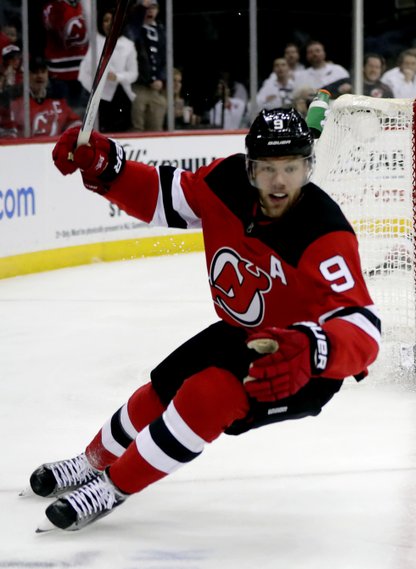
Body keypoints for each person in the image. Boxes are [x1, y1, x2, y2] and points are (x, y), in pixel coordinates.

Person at [30, 107, 381, 532]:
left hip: (299, 362)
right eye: (268, 168)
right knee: (162, 387)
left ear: (308, 167)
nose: (280, 181)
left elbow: (363, 324)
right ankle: (90, 462)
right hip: (242, 330)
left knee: (206, 396)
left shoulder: (324, 232)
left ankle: (109, 488)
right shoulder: (224, 181)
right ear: (250, 168)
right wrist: (109, 168)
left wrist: (314, 349)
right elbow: (166, 197)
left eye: (291, 167)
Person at [78, 8, 138, 133]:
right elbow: (85, 71)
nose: (109, 23)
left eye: (113, 20)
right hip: (98, 97)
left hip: (121, 95)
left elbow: (133, 74)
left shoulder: (128, 45)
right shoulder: (95, 42)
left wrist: (117, 77)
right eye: (106, 20)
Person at [9, 56, 81, 137]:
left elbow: (75, 122)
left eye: (43, 72)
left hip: (55, 146)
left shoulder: (58, 101)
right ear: (27, 75)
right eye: (35, 72)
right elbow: (10, 130)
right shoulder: (17, 102)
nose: (39, 76)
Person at [42, 0, 89, 115]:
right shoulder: (52, 7)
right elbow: (57, 27)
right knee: (63, 116)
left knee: (81, 116)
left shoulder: (85, 5)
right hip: (60, 73)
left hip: (82, 71)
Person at [126, 0, 167, 131]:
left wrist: (160, 77)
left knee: (156, 126)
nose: (150, 11)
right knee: (137, 126)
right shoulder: (134, 29)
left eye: (153, 7)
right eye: (146, 8)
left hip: (156, 89)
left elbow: (164, 57)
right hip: (139, 86)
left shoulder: (160, 30)